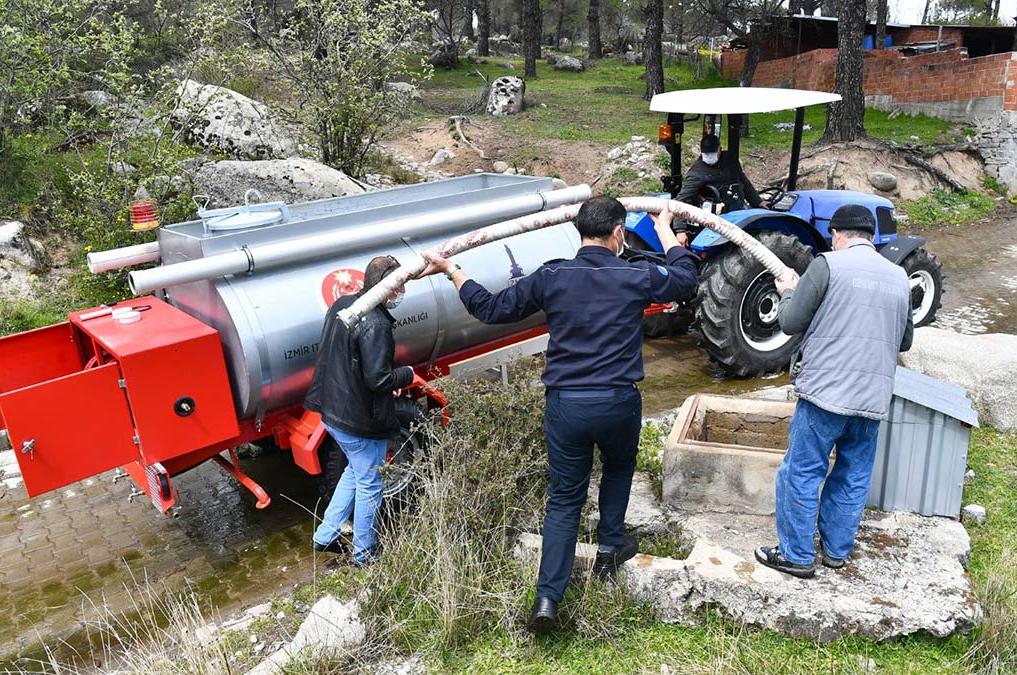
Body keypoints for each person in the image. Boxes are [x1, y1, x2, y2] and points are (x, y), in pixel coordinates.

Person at [420, 196, 700, 632]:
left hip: (567, 404)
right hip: (617, 401)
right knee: (619, 467)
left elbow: (490, 308)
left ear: (578, 231)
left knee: (565, 498)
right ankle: (610, 545)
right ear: (619, 233)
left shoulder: (552, 276)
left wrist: (452, 269)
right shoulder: (634, 274)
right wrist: (664, 228)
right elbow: (685, 279)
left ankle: (548, 599)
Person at [754, 204, 913, 579]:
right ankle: (836, 552)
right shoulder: (899, 276)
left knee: (802, 472)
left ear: (837, 235)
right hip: (872, 399)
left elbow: (790, 322)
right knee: (853, 475)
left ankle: (796, 556)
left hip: (825, 395)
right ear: (871, 237)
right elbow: (904, 340)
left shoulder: (827, 264)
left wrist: (788, 291)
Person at [304, 255, 415, 565]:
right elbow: (378, 379)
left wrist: (384, 378)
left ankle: (326, 534)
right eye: (400, 286)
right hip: (359, 419)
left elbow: (347, 358)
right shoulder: (376, 323)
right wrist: (405, 375)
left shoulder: (343, 304)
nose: (402, 292)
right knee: (370, 483)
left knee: (355, 470)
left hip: (333, 409)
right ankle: (365, 553)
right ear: (386, 286)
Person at [672, 133, 763, 245]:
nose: (709, 156)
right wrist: (680, 230)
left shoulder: (729, 160)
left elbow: (743, 180)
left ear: (720, 150)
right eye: (706, 154)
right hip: (718, 217)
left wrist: (758, 202)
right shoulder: (696, 173)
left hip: (737, 206)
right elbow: (682, 200)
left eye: (712, 153)